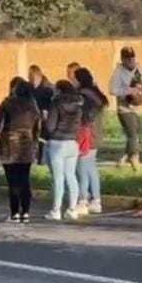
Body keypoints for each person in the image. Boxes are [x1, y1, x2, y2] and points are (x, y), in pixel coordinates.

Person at [0, 78, 41, 223]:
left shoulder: (8, 103)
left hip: (9, 146)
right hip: (26, 147)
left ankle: (14, 213)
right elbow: (37, 127)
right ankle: (25, 212)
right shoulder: (33, 106)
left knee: (12, 182)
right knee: (24, 180)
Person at [109, 47, 142, 171]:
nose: (130, 60)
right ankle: (134, 158)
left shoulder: (140, 70)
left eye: (132, 57)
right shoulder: (118, 73)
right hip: (125, 108)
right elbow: (112, 90)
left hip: (138, 107)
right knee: (132, 133)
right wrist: (128, 91)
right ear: (123, 59)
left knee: (139, 132)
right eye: (127, 58)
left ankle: (125, 156)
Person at [43, 80, 84, 221]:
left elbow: (50, 127)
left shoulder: (56, 103)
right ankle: (72, 209)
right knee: (71, 176)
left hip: (57, 143)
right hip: (72, 143)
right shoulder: (78, 106)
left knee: (58, 178)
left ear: (59, 90)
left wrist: (45, 119)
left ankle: (56, 210)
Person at [75, 68, 109, 215]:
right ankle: (96, 200)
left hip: (87, 136)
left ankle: (83, 201)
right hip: (96, 135)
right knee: (91, 168)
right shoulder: (97, 94)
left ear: (78, 80)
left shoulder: (83, 96)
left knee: (82, 169)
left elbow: (84, 117)